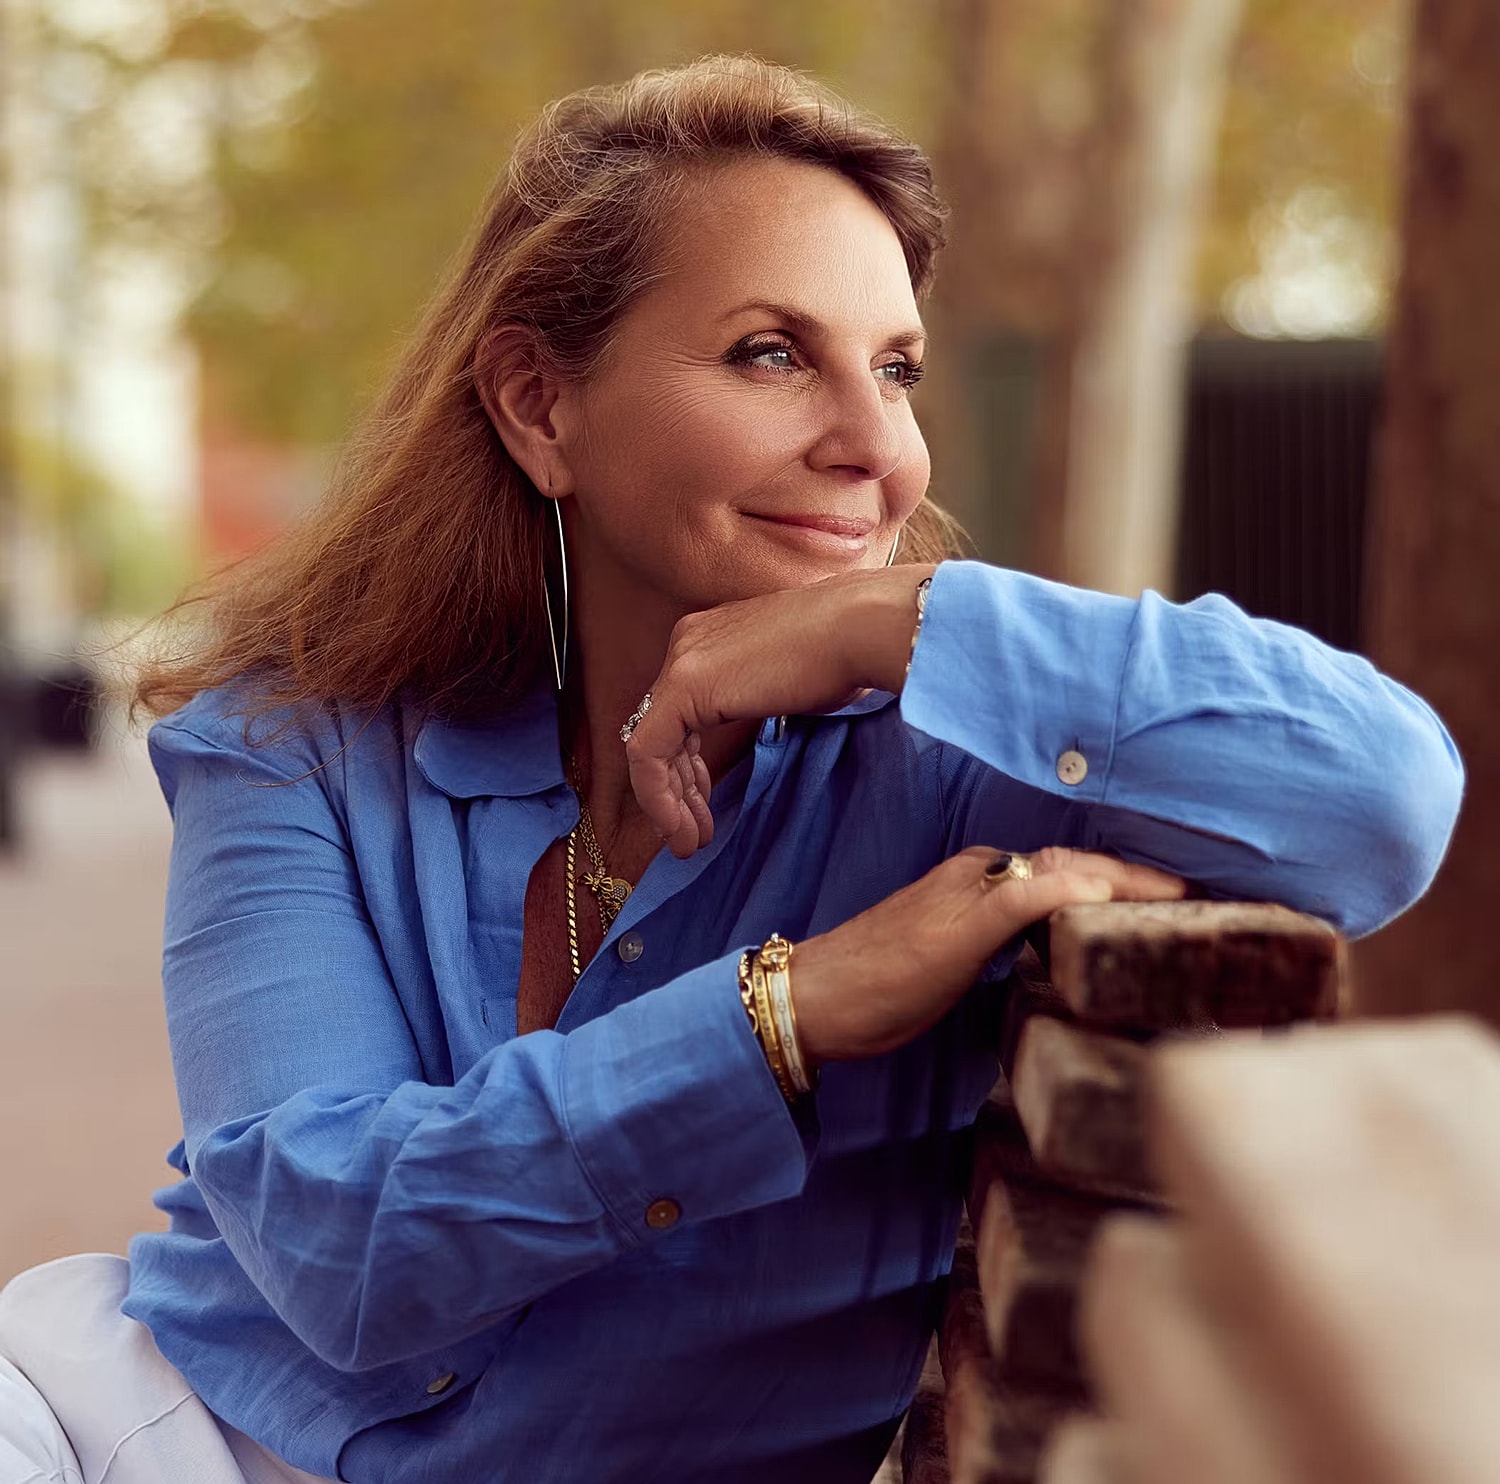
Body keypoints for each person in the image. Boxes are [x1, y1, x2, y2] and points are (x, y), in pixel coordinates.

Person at [0, 54, 1462, 1484]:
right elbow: (335, 1244)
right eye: (773, 353)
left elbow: (1384, 797)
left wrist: (900, 618)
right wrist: (789, 1012)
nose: (876, 447)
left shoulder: (949, 769)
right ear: (539, 407)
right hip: (135, 1429)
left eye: (896, 370)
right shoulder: (292, 749)